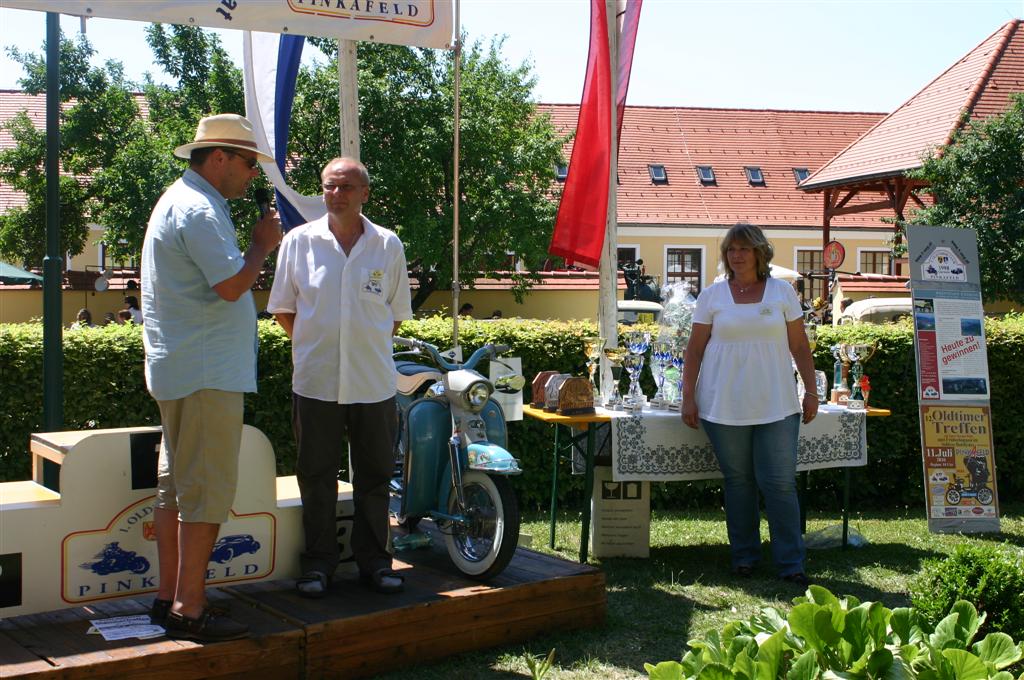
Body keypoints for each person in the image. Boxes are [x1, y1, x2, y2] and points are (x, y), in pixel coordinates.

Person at [141, 113, 282, 641]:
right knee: (204, 492)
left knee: (177, 488)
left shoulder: (183, 200)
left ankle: (169, 598)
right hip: (205, 372)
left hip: (185, 367)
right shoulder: (200, 209)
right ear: (219, 157)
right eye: (249, 163)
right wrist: (262, 245)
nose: (252, 174)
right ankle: (189, 608)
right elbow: (230, 286)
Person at [267, 157, 412, 598]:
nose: (337, 194)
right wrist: (320, 346)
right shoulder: (298, 242)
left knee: (374, 477)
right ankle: (318, 566)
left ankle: (375, 563)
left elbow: (395, 317)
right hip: (316, 382)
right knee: (316, 477)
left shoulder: (388, 246)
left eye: (347, 187)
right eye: (330, 186)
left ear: (365, 193)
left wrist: (358, 347)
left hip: (372, 384)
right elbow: (284, 310)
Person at [681, 223, 817, 587]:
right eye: (730, 249)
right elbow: (693, 351)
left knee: (780, 484)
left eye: (743, 248)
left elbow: (800, 348)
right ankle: (744, 556)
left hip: (777, 404)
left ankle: (791, 562)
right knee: (738, 483)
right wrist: (687, 395)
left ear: (760, 252)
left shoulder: (782, 292)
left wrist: (811, 390)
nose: (736, 255)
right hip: (722, 405)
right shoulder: (710, 296)